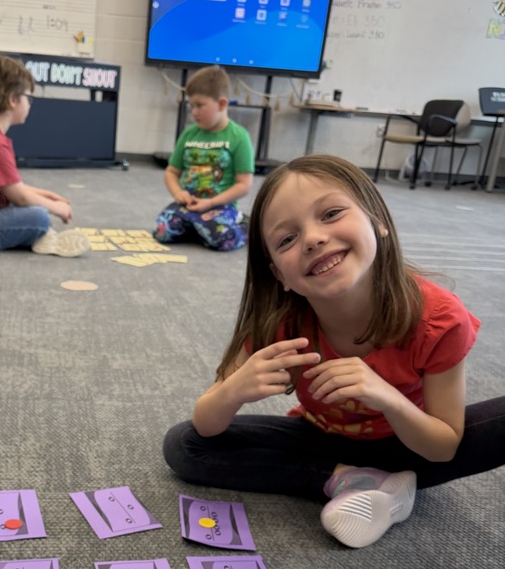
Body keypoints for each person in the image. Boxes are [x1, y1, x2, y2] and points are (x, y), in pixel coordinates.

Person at [163, 154, 505, 548]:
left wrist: (387, 398)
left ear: (377, 221)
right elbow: (206, 424)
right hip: (320, 438)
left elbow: (443, 446)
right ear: (279, 275)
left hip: (409, 445)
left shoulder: (438, 317)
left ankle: (365, 480)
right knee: (183, 445)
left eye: (331, 213)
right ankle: (350, 480)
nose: (312, 238)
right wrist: (234, 390)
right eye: (287, 239)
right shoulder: (281, 322)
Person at [0, 54, 90, 257]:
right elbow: (20, 197)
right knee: (40, 216)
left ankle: (41, 237)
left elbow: (9, 187)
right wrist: (55, 207)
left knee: (37, 210)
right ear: (13, 100)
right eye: (29, 98)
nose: (30, 104)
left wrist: (45, 194)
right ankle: (40, 235)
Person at [153, 65, 254, 252]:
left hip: (220, 205)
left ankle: (243, 223)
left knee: (221, 240)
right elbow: (172, 171)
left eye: (200, 105)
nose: (194, 112)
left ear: (222, 104)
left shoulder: (239, 137)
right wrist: (178, 193)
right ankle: (199, 229)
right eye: (192, 105)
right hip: (189, 204)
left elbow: (244, 185)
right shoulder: (189, 134)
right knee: (162, 232)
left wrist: (211, 203)